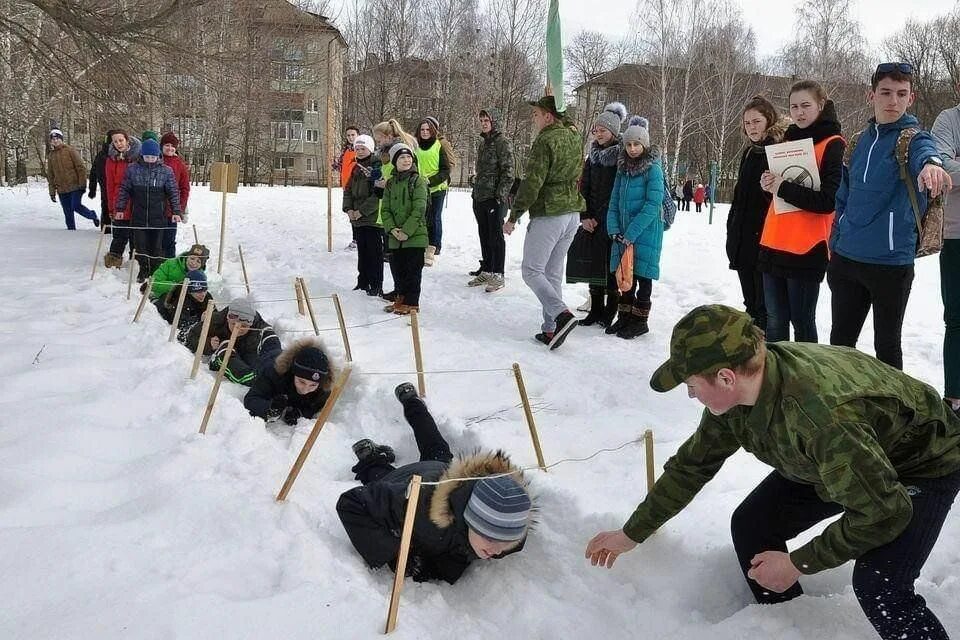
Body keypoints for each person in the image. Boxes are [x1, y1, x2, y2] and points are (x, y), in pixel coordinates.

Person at [585, 304, 960, 640]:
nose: (692, 396)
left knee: (881, 586)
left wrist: (799, 563)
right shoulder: (740, 397)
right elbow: (691, 466)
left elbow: (884, 512)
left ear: (726, 378)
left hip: (921, 464)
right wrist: (633, 532)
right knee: (753, 524)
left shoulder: (820, 418)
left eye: (692, 387)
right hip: (839, 460)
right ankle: (786, 627)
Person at [337, 382, 532, 585]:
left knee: (437, 450)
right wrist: (393, 553)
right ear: (472, 518)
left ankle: (378, 448)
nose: (496, 550)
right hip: (420, 483)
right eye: (490, 538)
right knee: (417, 452)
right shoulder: (421, 505)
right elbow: (352, 504)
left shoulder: (513, 530)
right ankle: (376, 454)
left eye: (505, 542)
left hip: (444, 475)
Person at [830, 63, 953, 369]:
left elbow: (928, 150)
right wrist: (835, 240)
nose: (893, 101)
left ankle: (894, 413)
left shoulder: (912, 140)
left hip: (890, 264)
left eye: (901, 94)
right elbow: (843, 197)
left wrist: (932, 164)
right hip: (847, 259)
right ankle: (843, 408)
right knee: (840, 344)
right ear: (871, 94)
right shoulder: (858, 141)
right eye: (885, 92)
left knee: (887, 348)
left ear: (911, 98)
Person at [758, 80, 844, 344]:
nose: (799, 112)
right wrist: (768, 185)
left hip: (806, 247)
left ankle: (806, 383)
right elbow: (777, 195)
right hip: (773, 241)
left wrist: (782, 186)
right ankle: (777, 381)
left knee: (802, 323)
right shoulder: (787, 138)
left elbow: (828, 200)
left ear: (821, 105)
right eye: (794, 106)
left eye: (806, 105)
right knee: (774, 321)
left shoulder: (832, 143)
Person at [503, 95, 586, 350]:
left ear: (548, 116)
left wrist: (514, 214)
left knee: (531, 270)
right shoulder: (574, 136)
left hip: (551, 212)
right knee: (551, 272)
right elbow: (569, 120)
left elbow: (533, 182)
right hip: (572, 212)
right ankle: (551, 329)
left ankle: (561, 314)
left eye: (537, 114)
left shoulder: (545, 140)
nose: (533, 118)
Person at [726, 95, 786, 332]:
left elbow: (781, 199)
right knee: (750, 302)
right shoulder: (749, 153)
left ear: (769, 121)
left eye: (757, 121)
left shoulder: (778, 151)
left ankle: (765, 354)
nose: (751, 127)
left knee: (766, 306)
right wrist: (732, 228)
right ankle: (750, 353)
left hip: (765, 240)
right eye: (747, 123)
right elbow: (740, 195)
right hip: (742, 239)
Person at [602, 116, 664, 340]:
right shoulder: (622, 169)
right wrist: (614, 229)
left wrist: (631, 233)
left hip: (645, 233)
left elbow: (652, 204)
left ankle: (640, 321)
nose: (632, 148)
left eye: (636, 144)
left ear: (644, 145)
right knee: (625, 277)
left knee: (642, 276)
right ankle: (624, 316)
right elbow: (614, 202)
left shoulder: (653, 170)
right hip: (623, 235)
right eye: (628, 144)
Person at [569, 102, 625, 328]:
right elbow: (584, 187)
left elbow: (618, 191)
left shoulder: (620, 158)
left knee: (610, 268)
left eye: (603, 130)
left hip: (611, 221)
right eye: (597, 130)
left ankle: (611, 310)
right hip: (591, 220)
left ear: (613, 132)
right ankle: (595, 309)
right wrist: (585, 216)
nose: (599, 134)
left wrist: (604, 218)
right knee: (593, 266)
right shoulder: (592, 157)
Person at [114, 138, 183, 280]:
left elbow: (173, 192)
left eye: (153, 157)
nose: (150, 160)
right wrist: (120, 209)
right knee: (140, 247)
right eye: (147, 157)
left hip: (158, 217)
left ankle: (156, 271)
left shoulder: (166, 171)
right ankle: (143, 270)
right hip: (138, 216)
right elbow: (124, 189)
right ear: (142, 156)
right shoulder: (133, 169)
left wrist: (176, 211)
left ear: (158, 156)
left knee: (157, 247)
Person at [932, 81, 960, 413]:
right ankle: (955, 397)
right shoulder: (948, 120)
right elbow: (942, 167)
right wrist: (949, 164)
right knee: (956, 318)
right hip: (956, 236)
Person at [184, 297, 282, 386]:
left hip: (248, 353)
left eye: (244, 326)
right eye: (233, 324)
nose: (238, 329)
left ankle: (262, 380)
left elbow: (273, 346)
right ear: (228, 319)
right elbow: (189, 336)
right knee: (226, 346)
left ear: (251, 324)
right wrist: (208, 344)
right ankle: (249, 378)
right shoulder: (216, 320)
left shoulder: (260, 327)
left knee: (265, 365)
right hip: (224, 352)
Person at [372, 119, 418, 302]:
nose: (378, 143)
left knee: (401, 256)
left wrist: (386, 183)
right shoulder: (384, 153)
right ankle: (398, 289)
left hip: (400, 207)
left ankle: (404, 293)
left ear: (388, 136)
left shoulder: (399, 151)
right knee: (391, 254)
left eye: (379, 139)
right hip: (388, 206)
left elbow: (402, 177)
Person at [469, 107, 514, 292]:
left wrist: (500, 195)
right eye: (481, 121)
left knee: (496, 236)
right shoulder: (483, 143)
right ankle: (487, 269)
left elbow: (508, 172)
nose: (484, 123)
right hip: (480, 196)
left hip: (494, 198)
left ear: (495, 121)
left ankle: (498, 273)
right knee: (484, 234)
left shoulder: (502, 142)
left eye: (486, 120)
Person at [381, 143, 429, 315]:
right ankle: (400, 298)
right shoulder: (391, 183)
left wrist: (406, 231)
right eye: (402, 157)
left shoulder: (418, 181)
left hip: (415, 235)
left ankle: (412, 303)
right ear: (395, 161)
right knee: (397, 269)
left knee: (413, 271)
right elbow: (385, 209)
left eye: (408, 156)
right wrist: (392, 229)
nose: (406, 160)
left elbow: (419, 209)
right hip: (395, 237)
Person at [243, 339, 334, 425]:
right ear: (293, 373)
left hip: (277, 353)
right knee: (249, 349)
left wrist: (300, 412)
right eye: (302, 382)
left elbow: (315, 406)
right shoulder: (273, 374)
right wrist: (269, 408)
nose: (305, 389)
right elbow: (251, 398)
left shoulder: (323, 387)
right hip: (263, 360)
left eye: (313, 385)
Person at [342, 134, 384, 296]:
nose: (359, 151)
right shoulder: (356, 167)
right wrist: (349, 209)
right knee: (363, 252)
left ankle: (376, 284)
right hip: (357, 217)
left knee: (374, 253)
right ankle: (363, 281)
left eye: (363, 148)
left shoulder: (376, 166)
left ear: (370, 149)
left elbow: (377, 194)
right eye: (357, 149)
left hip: (371, 218)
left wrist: (362, 211)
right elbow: (348, 190)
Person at [414, 116, 453, 265]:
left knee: (435, 217)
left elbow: (445, 170)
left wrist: (431, 181)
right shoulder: (415, 146)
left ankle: (434, 246)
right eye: (422, 130)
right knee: (422, 217)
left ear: (433, 131)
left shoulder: (438, 146)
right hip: (419, 188)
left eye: (427, 130)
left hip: (436, 188)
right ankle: (422, 244)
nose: (424, 132)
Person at [46, 128, 99, 230]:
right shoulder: (51, 155)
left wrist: (82, 184)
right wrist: (52, 192)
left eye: (57, 138)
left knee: (75, 206)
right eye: (53, 139)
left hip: (75, 186)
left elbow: (80, 167)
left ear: (61, 139)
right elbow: (51, 175)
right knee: (67, 211)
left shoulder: (70, 150)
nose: (55, 141)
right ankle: (71, 231)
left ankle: (92, 215)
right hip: (61, 189)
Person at [103, 130, 141, 268]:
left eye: (121, 140)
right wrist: (111, 207)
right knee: (119, 234)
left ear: (127, 140)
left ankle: (135, 264)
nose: (119, 144)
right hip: (119, 201)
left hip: (136, 201)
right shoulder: (111, 160)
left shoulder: (138, 157)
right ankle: (113, 261)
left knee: (135, 236)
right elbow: (110, 185)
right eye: (115, 141)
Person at [154, 269, 213, 338]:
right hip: (162, 308)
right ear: (189, 291)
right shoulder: (181, 299)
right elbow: (182, 325)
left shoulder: (207, 296)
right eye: (198, 291)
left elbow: (216, 315)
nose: (203, 294)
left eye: (205, 290)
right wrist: (201, 320)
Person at [159, 132, 191, 258]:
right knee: (156, 240)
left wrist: (180, 208)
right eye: (167, 145)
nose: (170, 148)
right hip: (155, 208)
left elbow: (185, 188)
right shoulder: (156, 160)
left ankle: (169, 264)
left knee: (169, 240)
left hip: (172, 209)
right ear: (161, 146)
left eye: (173, 146)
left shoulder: (179, 164)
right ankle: (156, 267)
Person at [336, 125, 360, 250]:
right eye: (348, 135)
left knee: (358, 214)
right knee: (350, 213)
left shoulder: (360, 150)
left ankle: (358, 238)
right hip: (347, 187)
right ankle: (355, 238)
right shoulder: (346, 150)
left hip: (358, 187)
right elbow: (341, 165)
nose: (350, 137)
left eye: (353, 135)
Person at [88, 134, 111, 234]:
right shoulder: (101, 155)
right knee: (106, 205)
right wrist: (92, 189)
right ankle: (106, 228)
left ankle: (111, 228)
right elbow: (93, 173)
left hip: (114, 186)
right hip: (105, 185)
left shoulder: (120, 155)